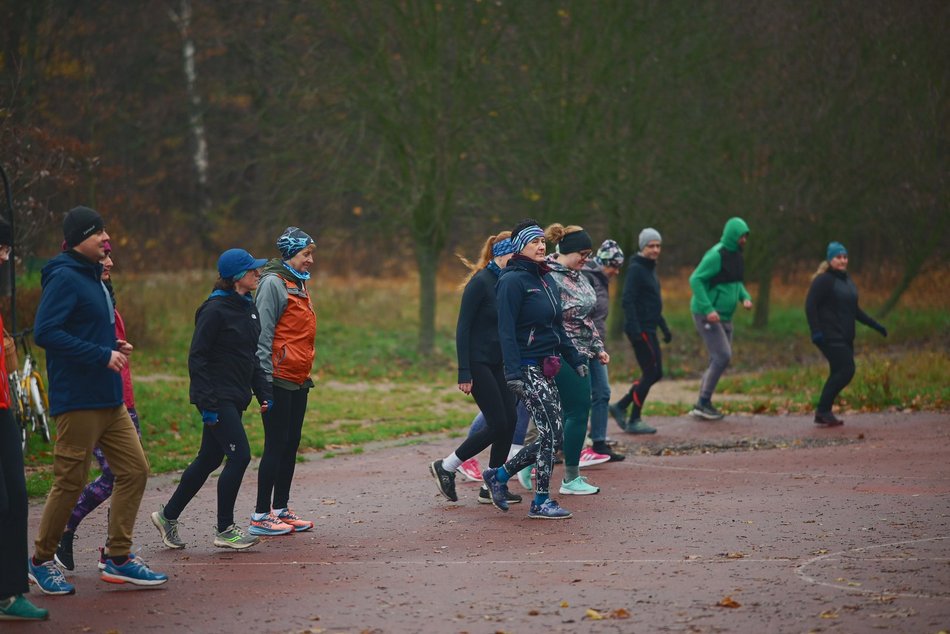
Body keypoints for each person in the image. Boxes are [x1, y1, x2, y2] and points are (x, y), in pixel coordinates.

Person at [29, 206, 167, 594]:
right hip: (78, 400)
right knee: (70, 482)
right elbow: (46, 332)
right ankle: (40, 560)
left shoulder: (95, 277)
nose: (106, 239)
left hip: (110, 399)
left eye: (105, 231)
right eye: (98, 233)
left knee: (135, 470)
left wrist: (112, 345)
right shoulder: (63, 277)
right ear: (78, 240)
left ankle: (118, 557)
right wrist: (99, 354)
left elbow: (85, 329)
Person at [152, 248, 272, 551]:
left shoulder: (249, 307)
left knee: (209, 458)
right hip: (217, 397)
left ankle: (167, 516)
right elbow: (198, 358)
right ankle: (225, 529)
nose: (258, 274)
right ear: (236, 277)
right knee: (240, 456)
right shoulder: (213, 310)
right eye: (252, 270)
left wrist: (263, 392)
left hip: (237, 395)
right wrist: (206, 403)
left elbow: (252, 356)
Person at [481, 219, 586, 520]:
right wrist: (512, 373)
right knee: (551, 433)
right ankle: (540, 501)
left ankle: (499, 476)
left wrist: (574, 357)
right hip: (525, 367)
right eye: (534, 242)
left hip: (546, 365)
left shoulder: (545, 278)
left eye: (542, 241)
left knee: (554, 433)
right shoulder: (511, 281)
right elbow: (505, 331)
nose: (541, 246)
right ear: (519, 247)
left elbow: (556, 327)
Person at [54, 241, 142, 571]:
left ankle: (114, 551)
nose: (110, 262)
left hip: (122, 399)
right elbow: (59, 339)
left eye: (110, 255)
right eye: (103, 256)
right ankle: (63, 528)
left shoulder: (106, 297)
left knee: (131, 473)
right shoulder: (74, 294)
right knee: (116, 473)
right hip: (94, 401)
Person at [429, 232, 521, 507]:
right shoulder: (480, 282)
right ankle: (446, 466)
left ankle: (491, 484)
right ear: (501, 254)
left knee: (511, 420)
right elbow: (463, 328)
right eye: (514, 255)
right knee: (498, 423)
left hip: (499, 363)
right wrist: (464, 371)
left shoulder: (508, 282)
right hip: (478, 362)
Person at [249, 227, 318, 536]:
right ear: (291, 254)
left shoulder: (298, 282)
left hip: (298, 376)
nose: (311, 260)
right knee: (276, 444)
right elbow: (262, 335)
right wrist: (263, 382)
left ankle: (280, 509)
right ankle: (260, 515)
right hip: (276, 377)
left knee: (291, 442)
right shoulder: (273, 284)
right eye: (306, 254)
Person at [0, 217, 49, 619]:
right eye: (0, 249)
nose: (5, 257)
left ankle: (10, 593)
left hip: (3, 409)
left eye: (7, 250)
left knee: (17, 497)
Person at [544, 223, 609, 495]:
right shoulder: (549, 276)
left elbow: (586, 318)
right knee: (577, 411)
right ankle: (569, 479)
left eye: (588, 254)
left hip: (585, 352)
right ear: (568, 250)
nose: (586, 259)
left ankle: (527, 466)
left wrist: (598, 346)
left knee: (566, 413)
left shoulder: (580, 276)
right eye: (582, 253)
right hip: (562, 353)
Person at [805, 242, 887, 426]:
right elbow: (810, 305)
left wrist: (875, 325)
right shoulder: (824, 280)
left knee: (838, 371)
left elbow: (854, 310)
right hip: (829, 335)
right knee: (846, 369)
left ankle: (822, 412)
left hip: (845, 335)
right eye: (838, 257)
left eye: (845, 257)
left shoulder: (847, 281)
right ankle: (823, 410)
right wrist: (815, 331)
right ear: (830, 260)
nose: (842, 260)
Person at [688, 217, 752, 420]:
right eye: (741, 236)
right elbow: (695, 279)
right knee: (722, 355)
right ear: (733, 235)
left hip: (725, 316)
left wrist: (745, 297)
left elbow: (736, 283)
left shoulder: (737, 255)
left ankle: (703, 403)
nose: (744, 240)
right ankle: (703, 403)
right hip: (706, 314)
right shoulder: (716, 255)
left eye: (746, 236)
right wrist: (708, 309)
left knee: (719, 358)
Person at [610, 228, 672, 434]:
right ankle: (634, 418)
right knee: (651, 372)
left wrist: (664, 328)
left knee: (655, 372)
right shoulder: (636, 269)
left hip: (650, 328)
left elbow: (653, 304)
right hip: (640, 329)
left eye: (658, 246)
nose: (655, 249)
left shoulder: (650, 269)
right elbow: (627, 300)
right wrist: (635, 329)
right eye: (651, 246)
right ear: (643, 247)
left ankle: (621, 406)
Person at [582, 239, 626, 460]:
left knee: (603, 392)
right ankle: (564, 444)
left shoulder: (602, 279)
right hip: (583, 345)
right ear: (604, 262)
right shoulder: (587, 276)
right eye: (614, 266)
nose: (616, 272)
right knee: (581, 397)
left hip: (597, 345)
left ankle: (598, 442)